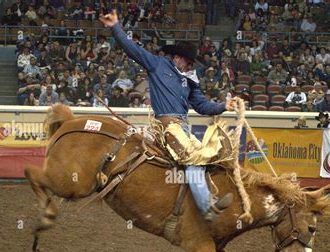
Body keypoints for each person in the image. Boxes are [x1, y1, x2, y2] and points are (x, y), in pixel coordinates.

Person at [100, 10, 238, 221]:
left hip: (182, 127)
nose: (191, 66)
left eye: (192, 63)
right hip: (167, 125)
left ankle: (201, 199)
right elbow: (132, 50)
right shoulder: (158, 64)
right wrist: (116, 27)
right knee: (193, 157)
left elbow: (201, 105)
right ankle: (206, 207)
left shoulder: (190, 79)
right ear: (177, 57)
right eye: (189, 62)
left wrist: (223, 106)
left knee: (206, 156)